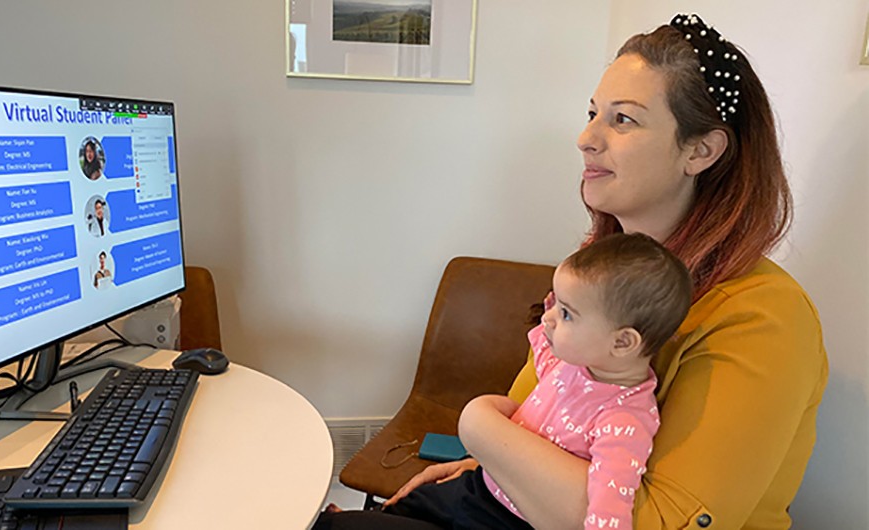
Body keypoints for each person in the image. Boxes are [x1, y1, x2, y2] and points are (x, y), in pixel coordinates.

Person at [316, 13, 828, 530]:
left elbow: (657, 522)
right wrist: (484, 465)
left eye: (622, 119)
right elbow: (535, 420)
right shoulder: (603, 272)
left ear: (701, 150)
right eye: (592, 113)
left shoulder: (765, 319)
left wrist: (480, 431)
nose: (586, 137)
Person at [323, 233, 692, 530]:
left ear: (622, 341)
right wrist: (557, 310)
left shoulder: (625, 420)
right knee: (403, 504)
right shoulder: (573, 363)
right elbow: (542, 344)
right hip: (479, 484)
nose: (549, 319)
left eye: (567, 314)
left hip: (505, 520)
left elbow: (610, 509)